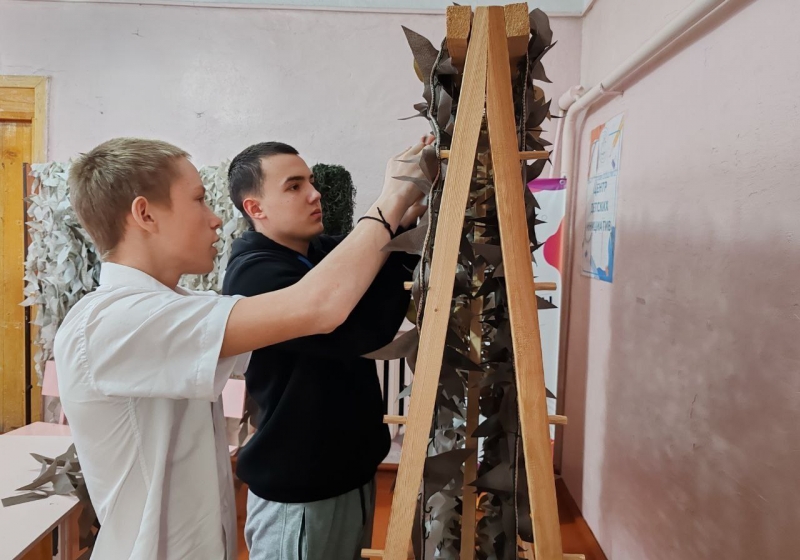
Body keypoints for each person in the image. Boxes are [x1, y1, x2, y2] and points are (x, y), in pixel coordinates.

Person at [53, 136, 427, 559]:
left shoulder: (178, 308)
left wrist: (399, 223)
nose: (215, 220)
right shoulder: (114, 322)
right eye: (199, 200)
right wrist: (391, 199)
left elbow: (335, 297)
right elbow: (320, 307)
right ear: (145, 214)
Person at [222, 140, 428, 560]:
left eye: (310, 181)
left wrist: (409, 208)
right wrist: (392, 197)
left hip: (349, 475)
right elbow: (353, 327)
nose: (315, 194)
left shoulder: (316, 253)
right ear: (255, 208)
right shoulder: (253, 274)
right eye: (294, 186)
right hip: (300, 491)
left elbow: (376, 256)